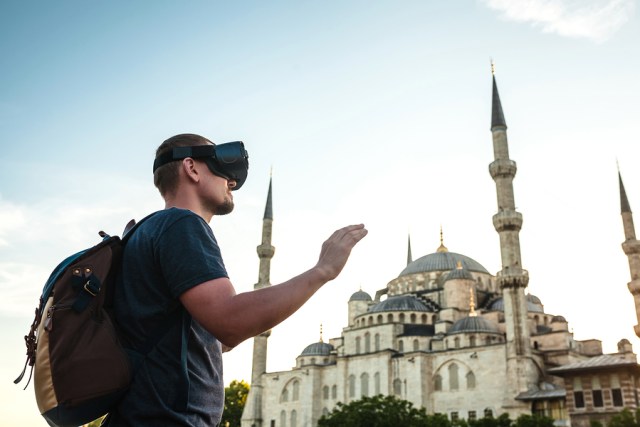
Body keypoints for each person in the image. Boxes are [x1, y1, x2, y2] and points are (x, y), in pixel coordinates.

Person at [107, 133, 367, 426]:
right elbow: (229, 322)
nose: (231, 182)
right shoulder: (181, 224)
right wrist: (323, 271)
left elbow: (203, 338)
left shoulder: (144, 233)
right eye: (221, 169)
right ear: (191, 168)